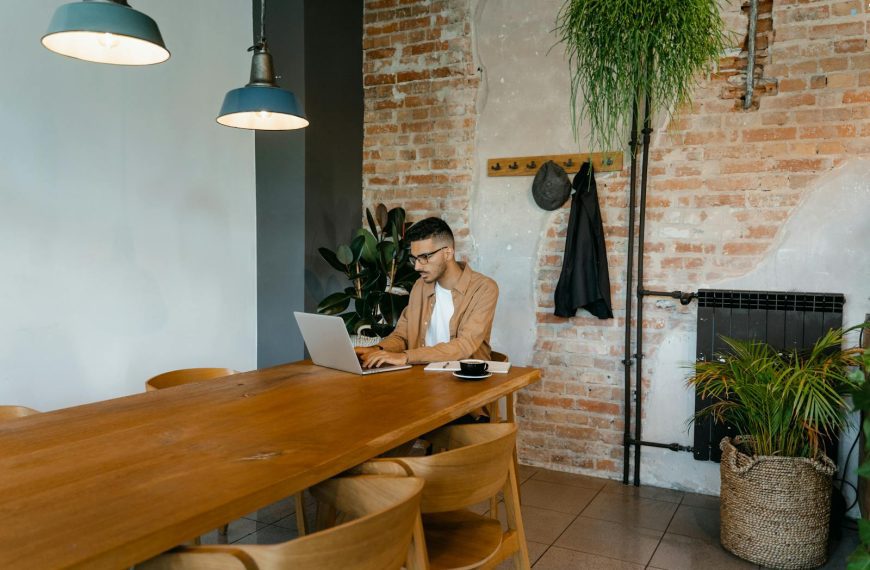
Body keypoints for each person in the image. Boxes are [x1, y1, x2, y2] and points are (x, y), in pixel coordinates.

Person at [356, 217, 498, 369]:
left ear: (448, 253)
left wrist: (406, 357)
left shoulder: (483, 288)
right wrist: (377, 349)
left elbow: (464, 345)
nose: (417, 266)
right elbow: (402, 336)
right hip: (421, 377)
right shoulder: (420, 286)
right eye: (414, 258)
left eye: (424, 257)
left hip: (466, 381)